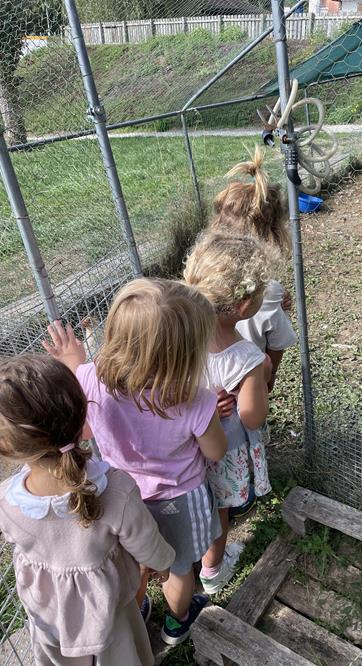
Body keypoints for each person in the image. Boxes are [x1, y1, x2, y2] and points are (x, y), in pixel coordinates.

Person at [43, 279, 228, 646]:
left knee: (135, 564)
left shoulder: (93, 381)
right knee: (177, 567)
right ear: (185, 354)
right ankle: (178, 622)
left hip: (121, 497)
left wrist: (74, 363)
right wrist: (215, 420)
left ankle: (138, 611)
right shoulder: (195, 400)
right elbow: (216, 452)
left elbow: (85, 430)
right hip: (180, 500)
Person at [0, 354, 175, 666]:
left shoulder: (7, 501)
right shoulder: (117, 489)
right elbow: (146, 542)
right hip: (111, 609)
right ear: (82, 417)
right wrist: (161, 564)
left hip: (48, 612)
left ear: (8, 447)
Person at [184, 232, 273, 594]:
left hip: (187, 448)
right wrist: (261, 380)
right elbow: (252, 417)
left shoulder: (182, 340)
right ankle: (212, 571)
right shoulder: (247, 357)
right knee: (219, 509)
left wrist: (203, 401)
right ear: (244, 304)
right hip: (225, 450)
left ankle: (186, 560)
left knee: (197, 504)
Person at [210, 146, 297, 391]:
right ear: (272, 236)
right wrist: (268, 379)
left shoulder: (199, 281)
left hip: (206, 395)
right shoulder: (266, 292)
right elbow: (277, 343)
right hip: (247, 385)